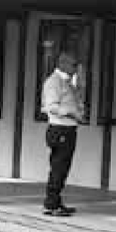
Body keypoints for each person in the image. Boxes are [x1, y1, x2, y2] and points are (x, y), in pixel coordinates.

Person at [41, 52, 85, 217]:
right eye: (73, 65)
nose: (75, 68)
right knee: (59, 167)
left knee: (62, 167)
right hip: (60, 129)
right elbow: (51, 106)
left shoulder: (67, 82)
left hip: (68, 129)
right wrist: (72, 113)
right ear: (63, 64)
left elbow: (78, 98)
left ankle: (56, 201)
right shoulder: (54, 82)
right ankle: (51, 204)